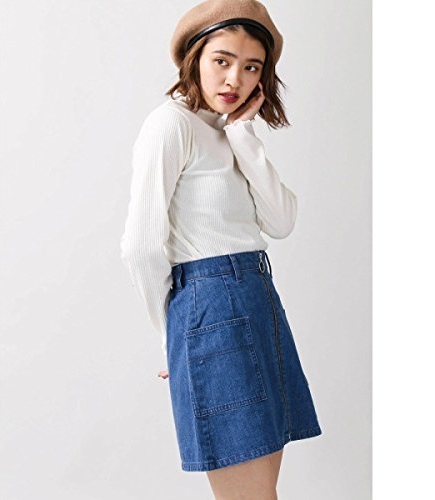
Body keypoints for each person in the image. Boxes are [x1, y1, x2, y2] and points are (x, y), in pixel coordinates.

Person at [120, 1, 322, 497]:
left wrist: (243, 135)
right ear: (194, 57)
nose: (235, 79)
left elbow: (281, 221)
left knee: (263, 491)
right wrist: (170, 334)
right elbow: (141, 246)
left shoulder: (230, 131)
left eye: (251, 67)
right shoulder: (170, 125)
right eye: (222, 60)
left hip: (259, 298)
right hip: (210, 305)